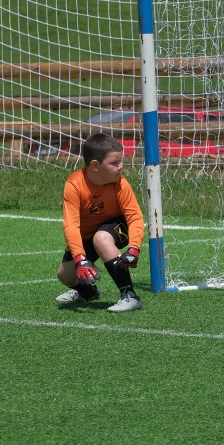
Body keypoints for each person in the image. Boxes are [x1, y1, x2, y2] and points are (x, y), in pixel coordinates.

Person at [55, 132, 146, 312]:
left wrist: (134, 247)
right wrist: (80, 258)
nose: (121, 166)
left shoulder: (121, 184)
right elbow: (71, 225)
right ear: (95, 165)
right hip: (87, 234)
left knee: (102, 237)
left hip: (118, 226)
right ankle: (88, 292)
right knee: (64, 275)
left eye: (121, 161)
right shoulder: (74, 185)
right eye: (114, 163)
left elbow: (135, 217)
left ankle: (130, 296)